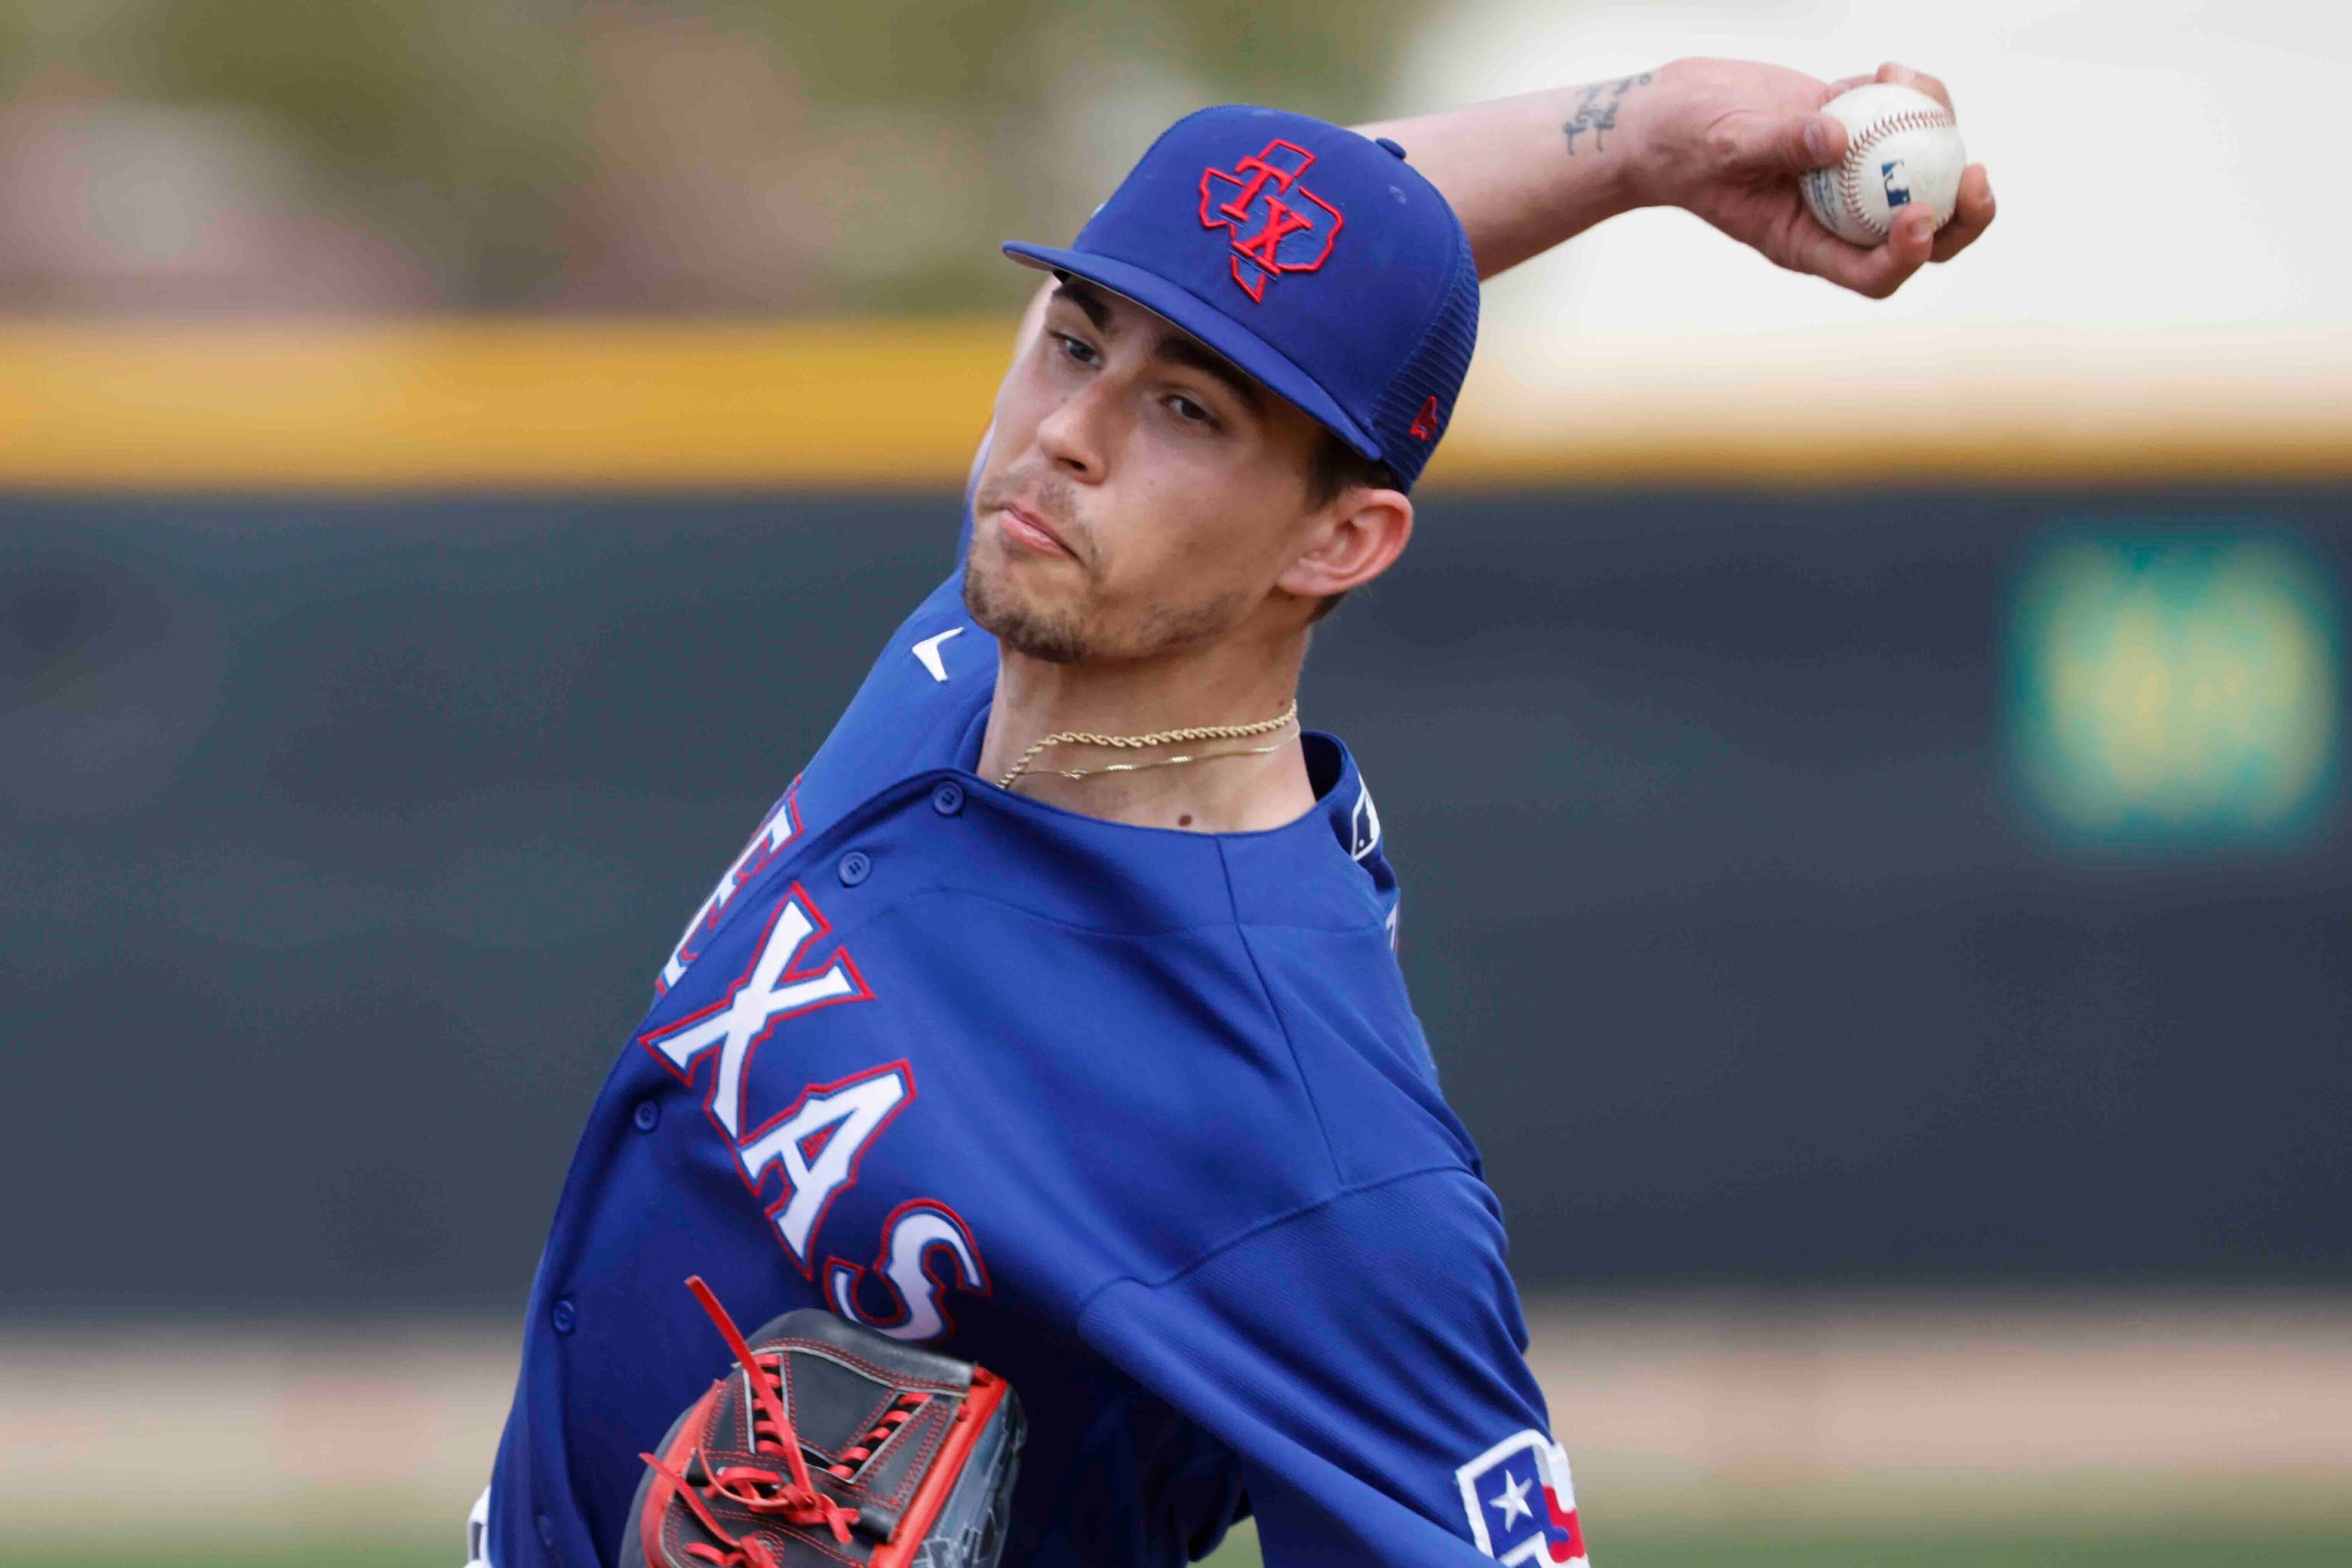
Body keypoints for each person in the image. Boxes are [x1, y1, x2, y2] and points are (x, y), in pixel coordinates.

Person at [473, 58, 1993, 1568]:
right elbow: (1303, 228)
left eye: (1187, 408)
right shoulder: (1000, 622)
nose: (1073, 427)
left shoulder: (1315, 1153)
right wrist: (1642, 142)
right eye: (1071, 342)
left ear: (1342, 537)